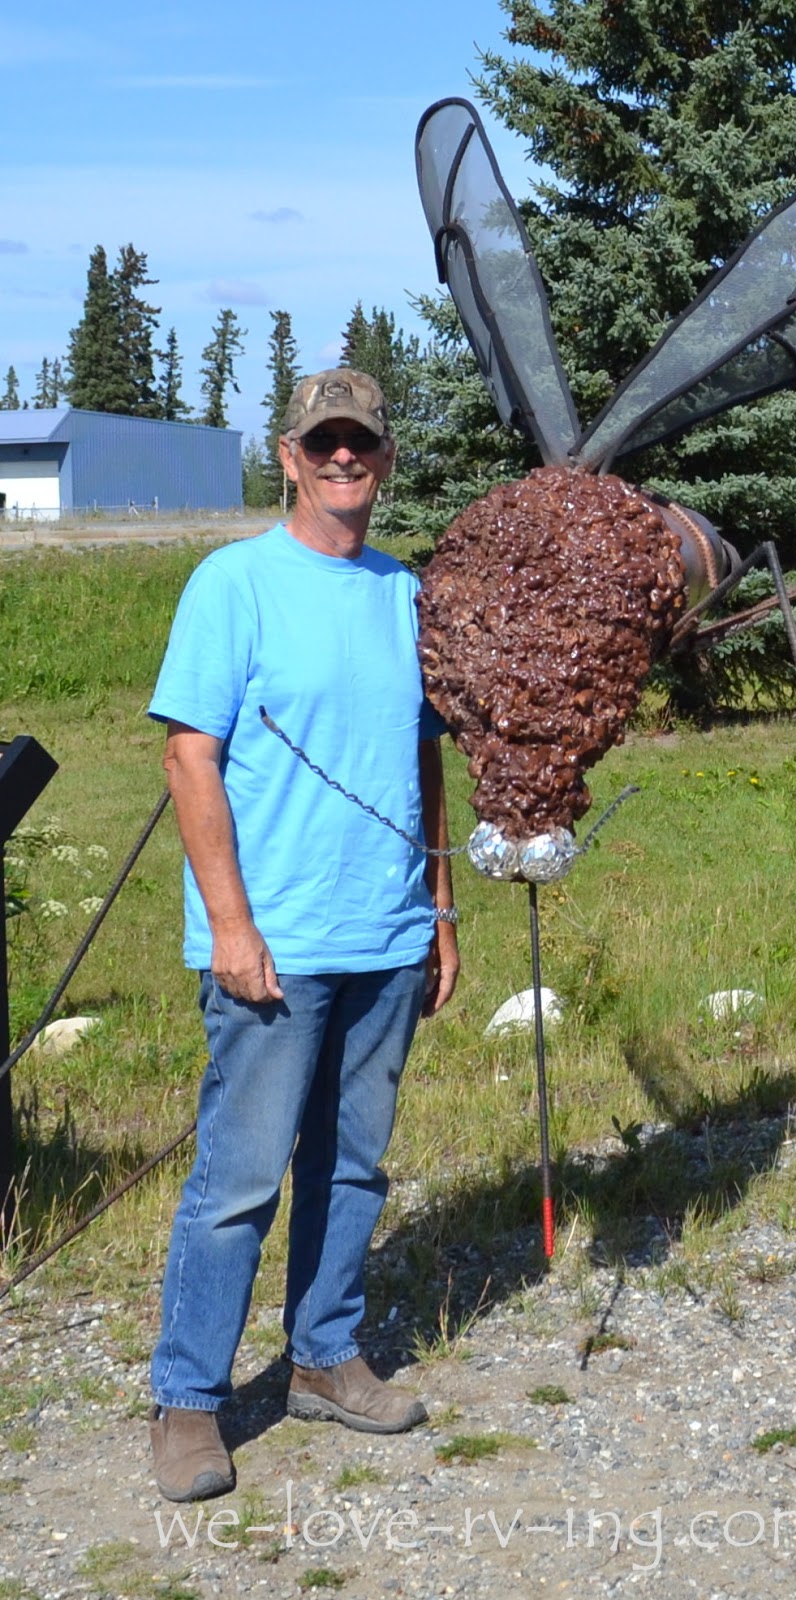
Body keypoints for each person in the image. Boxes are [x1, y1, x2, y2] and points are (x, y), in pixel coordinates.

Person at [147, 370, 459, 1503]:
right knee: (238, 1181)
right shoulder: (233, 584)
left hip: (386, 935)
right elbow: (188, 756)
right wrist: (230, 927)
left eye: (360, 444)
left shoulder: (405, 593)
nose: (342, 460)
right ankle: (189, 1399)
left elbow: (424, 757)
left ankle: (325, 1357)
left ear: (384, 459)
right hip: (272, 948)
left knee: (353, 1165)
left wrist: (440, 907)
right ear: (288, 456)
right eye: (322, 442)